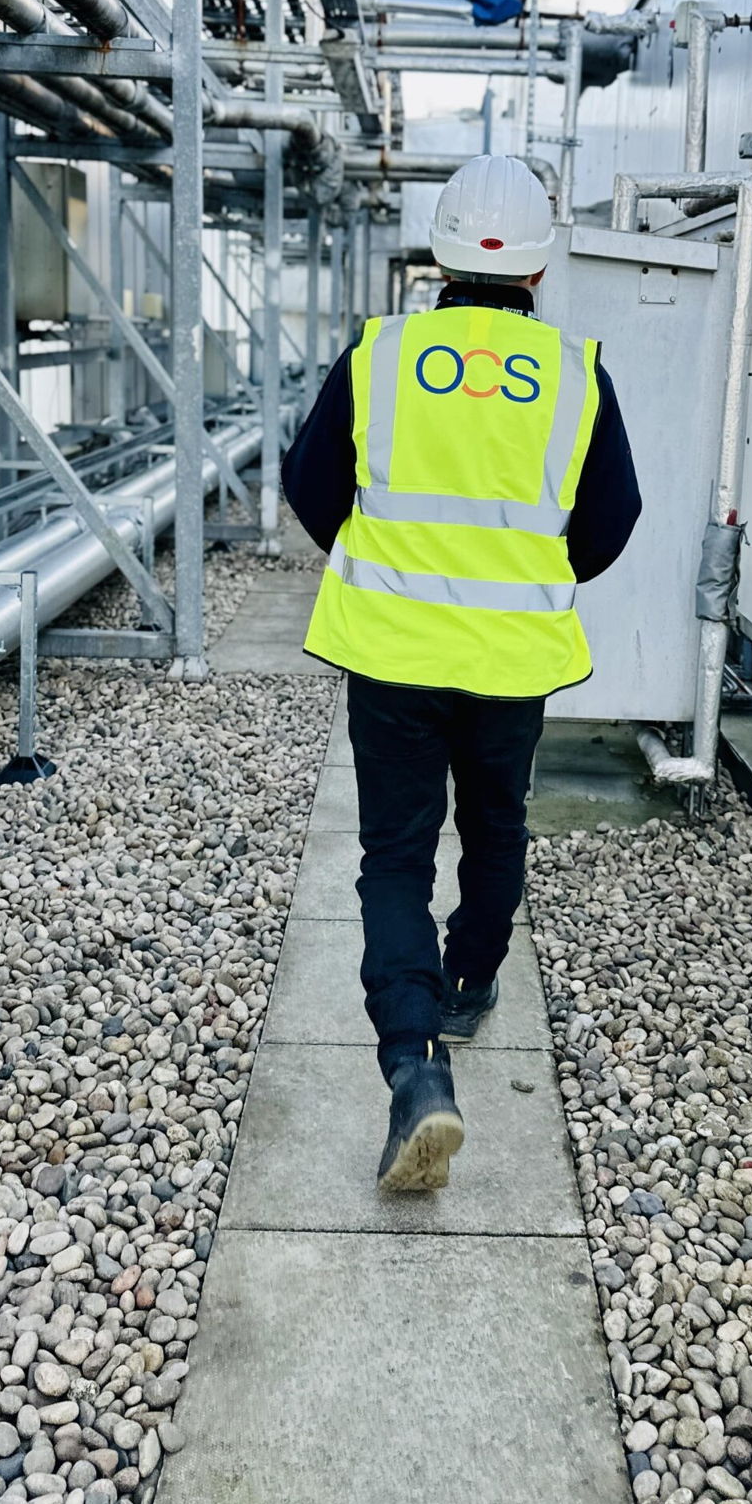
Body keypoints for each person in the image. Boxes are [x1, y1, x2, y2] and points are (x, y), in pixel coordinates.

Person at [281, 154, 641, 1191]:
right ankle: (470, 978)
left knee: (394, 855)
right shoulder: (575, 372)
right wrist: (524, 570)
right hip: (510, 660)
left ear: (438, 256)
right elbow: (610, 520)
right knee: (495, 829)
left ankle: (414, 1063)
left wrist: (387, 559)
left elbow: (312, 488)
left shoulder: (381, 353)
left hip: (391, 652)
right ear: (538, 270)